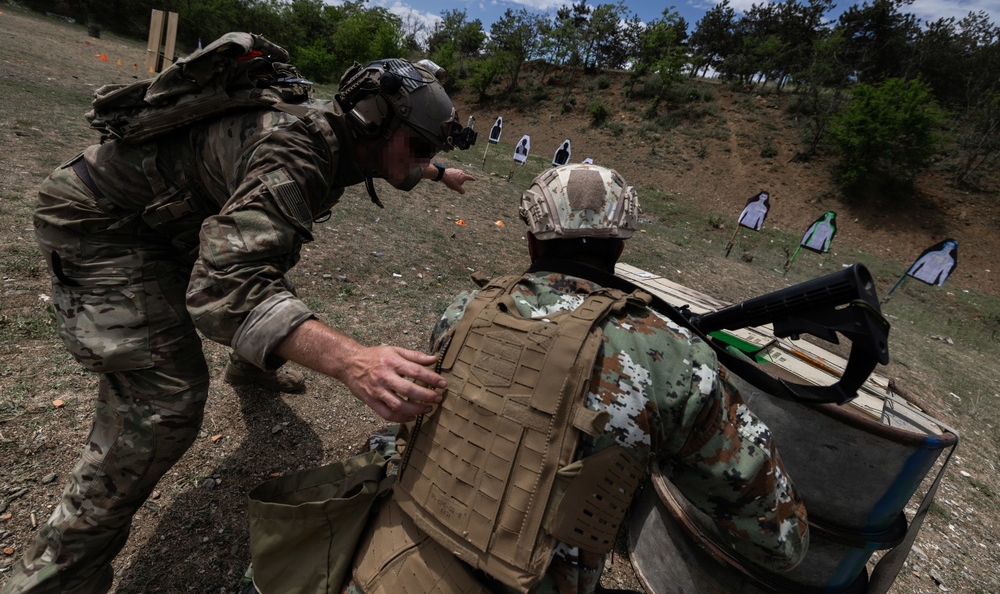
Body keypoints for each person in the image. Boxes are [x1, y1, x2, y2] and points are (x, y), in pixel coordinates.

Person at [2, 52, 475, 594]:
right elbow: (223, 286)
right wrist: (353, 360)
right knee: (163, 406)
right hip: (102, 224)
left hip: (164, 221)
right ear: (374, 121)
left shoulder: (347, 135)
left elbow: (399, 166)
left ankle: (251, 368)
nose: (424, 158)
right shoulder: (297, 154)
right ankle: (51, 577)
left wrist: (438, 171)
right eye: (420, 145)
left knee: (269, 260)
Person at [345, 163, 808, 594]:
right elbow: (781, 539)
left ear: (531, 241)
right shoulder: (674, 357)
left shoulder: (464, 310)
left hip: (399, 558)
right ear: (620, 248)